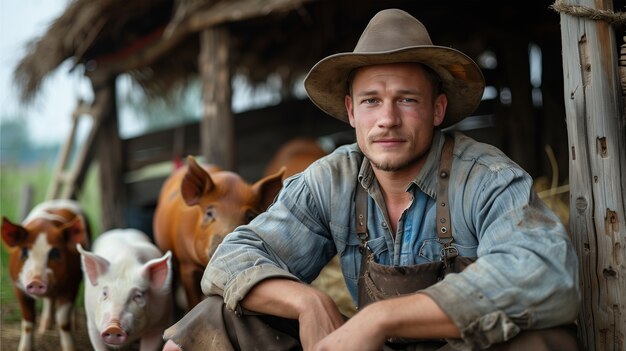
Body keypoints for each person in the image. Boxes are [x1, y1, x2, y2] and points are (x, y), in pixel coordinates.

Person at [162, 8, 581, 351]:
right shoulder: (332, 178)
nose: (387, 119)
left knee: (539, 342)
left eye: (406, 100)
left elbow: (546, 275)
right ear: (351, 112)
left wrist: (381, 317)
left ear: (437, 110)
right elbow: (231, 257)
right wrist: (308, 302)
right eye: (371, 101)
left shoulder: (488, 179)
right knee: (212, 317)